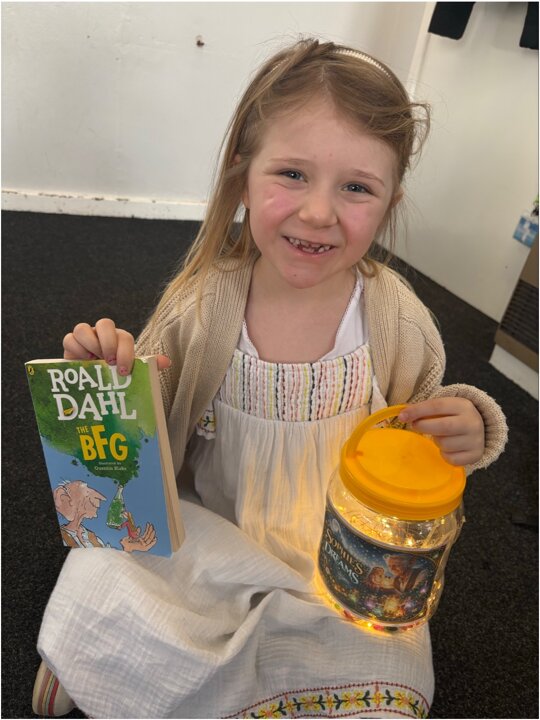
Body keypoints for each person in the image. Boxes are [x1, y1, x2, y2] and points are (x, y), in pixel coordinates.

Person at [32, 38, 508, 718]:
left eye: (356, 187)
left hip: (342, 568)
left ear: (389, 202)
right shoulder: (203, 304)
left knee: (394, 677)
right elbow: (140, 446)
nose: (318, 213)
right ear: (243, 177)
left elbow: (424, 422)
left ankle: (122, 669)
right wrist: (109, 385)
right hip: (211, 542)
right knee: (101, 568)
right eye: (291, 174)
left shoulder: (396, 317)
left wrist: (470, 423)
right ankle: (95, 656)